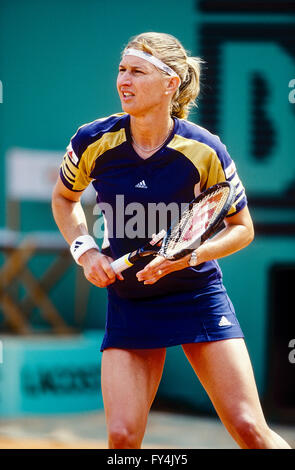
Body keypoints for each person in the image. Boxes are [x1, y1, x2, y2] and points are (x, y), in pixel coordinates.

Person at [52, 32, 291, 449]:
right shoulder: (92, 140)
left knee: (250, 429)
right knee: (123, 437)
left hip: (196, 294)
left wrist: (189, 255)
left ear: (171, 83)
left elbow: (242, 228)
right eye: (122, 70)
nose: (124, 81)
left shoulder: (205, 150)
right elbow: (64, 198)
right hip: (131, 300)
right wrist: (85, 251)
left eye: (137, 72)